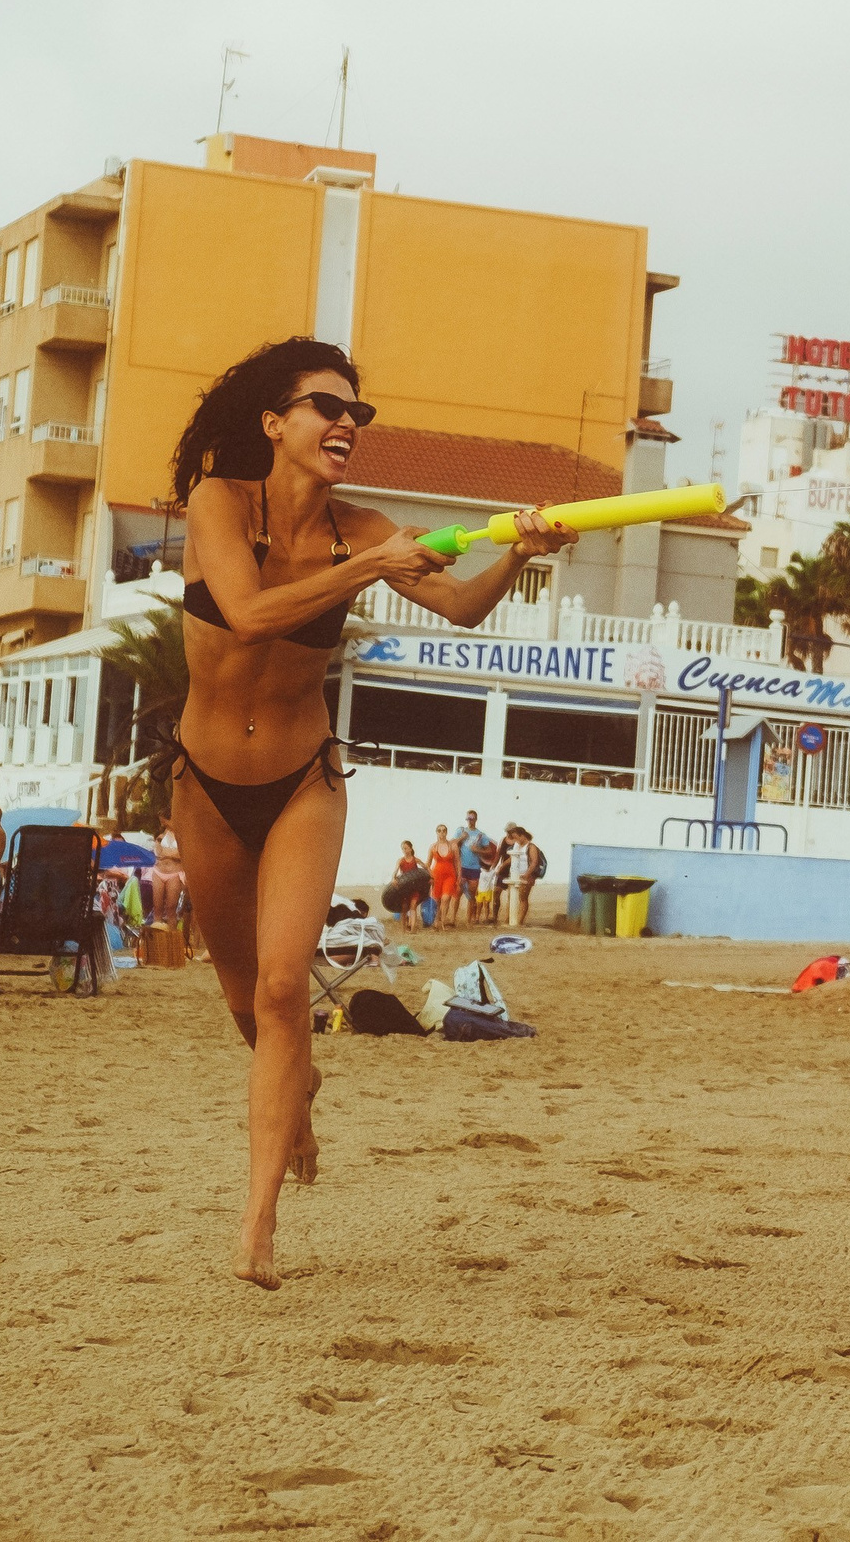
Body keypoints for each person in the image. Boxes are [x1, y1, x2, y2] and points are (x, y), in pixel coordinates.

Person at [165, 336, 576, 1289]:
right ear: (276, 422)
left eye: (359, 413)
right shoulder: (220, 503)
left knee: (282, 992)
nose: (347, 422)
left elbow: (465, 606)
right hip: (207, 785)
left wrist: (517, 548)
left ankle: (257, 1227)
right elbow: (252, 610)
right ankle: (296, 1088)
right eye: (325, 406)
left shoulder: (367, 528)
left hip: (305, 777)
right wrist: (374, 564)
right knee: (244, 1006)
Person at [145, 816, 188, 926]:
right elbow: (158, 852)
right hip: (159, 871)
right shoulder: (162, 834)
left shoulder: (181, 833)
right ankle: (157, 934)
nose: (162, 822)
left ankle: (171, 937)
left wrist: (167, 854)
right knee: (157, 908)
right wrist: (170, 853)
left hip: (173, 873)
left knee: (171, 909)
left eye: (163, 819)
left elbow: (181, 854)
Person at [387, 841, 427, 934]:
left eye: (406, 848)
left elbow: (426, 867)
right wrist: (393, 878)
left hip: (414, 887)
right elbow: (395, 871)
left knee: (413, 906)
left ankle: (413, 929)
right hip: (404, 889)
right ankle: (403, 930)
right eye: (403, 848)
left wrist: (431, 877)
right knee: (404, 908)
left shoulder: (415, 860)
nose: (404, 850)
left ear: (410, 848)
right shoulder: (400, 860)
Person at [428, 824, 460, 929]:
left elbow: (457, 862)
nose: (442, 833)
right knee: (437, 900)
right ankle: (437, 921)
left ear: (446, 832)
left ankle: (442, 921)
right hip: (436, 875)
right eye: (439, 831)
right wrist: (429, 876)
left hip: (450, 875)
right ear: (436, 832)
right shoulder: (433, 847)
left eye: (443, 830)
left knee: (446, 898)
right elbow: (427, 864)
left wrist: (459, 876)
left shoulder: (453, 846)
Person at [501, 826, 534, 928]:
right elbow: (512, 858)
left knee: (523, 898)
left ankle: (519, 921)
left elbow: (534, 862)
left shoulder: (531, 847)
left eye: (516, 837)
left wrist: (527, 875)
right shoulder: (516, 845)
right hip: (515, 874)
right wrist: (502, 866)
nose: (516, 840)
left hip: (526, 875)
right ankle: (509, 919)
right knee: (512, 897)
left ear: (522, 835)